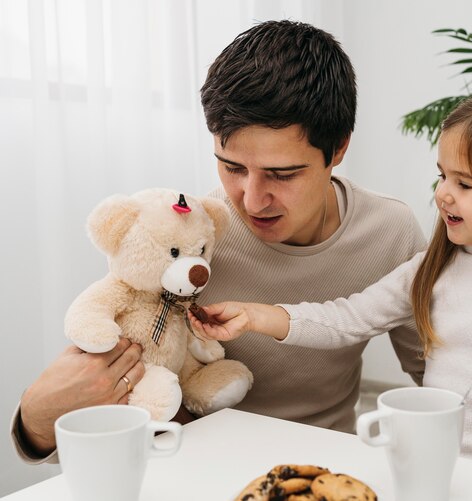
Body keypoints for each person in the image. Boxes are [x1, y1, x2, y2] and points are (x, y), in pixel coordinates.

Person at [11, 20, 425, 463]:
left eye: (282, 174)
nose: (251, 199)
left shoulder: (391, 232)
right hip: (193, 467)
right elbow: (101, 404)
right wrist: (35, 424)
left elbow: (442, 376)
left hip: (326, 468)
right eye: (231, 167)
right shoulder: (187, 242)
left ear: (338, 149)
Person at [190, 88, 472, 478]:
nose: (443, 195)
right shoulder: (428, 270)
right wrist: (259, 315)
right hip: (440, 472)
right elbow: (348, 318)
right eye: (442, 176)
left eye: (464, 183)